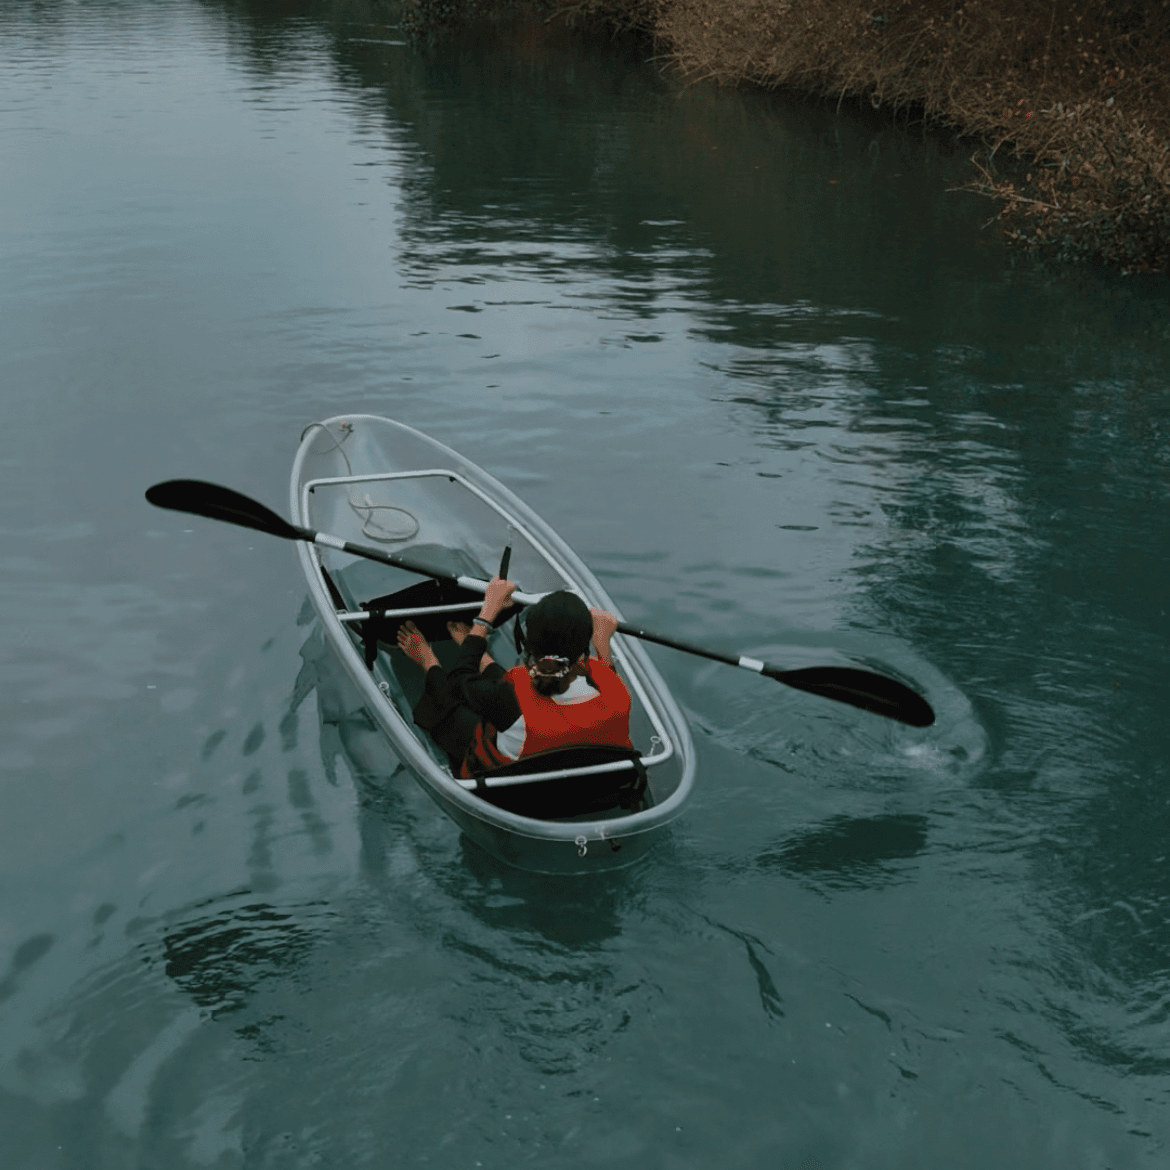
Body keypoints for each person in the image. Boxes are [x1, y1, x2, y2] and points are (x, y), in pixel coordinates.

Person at [396, 577, 632, 779]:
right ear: (582, 650)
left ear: (530, 648)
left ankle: (426, 659)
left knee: (449, 701)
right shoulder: (617, 697)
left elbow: (458, 681)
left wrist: (486, 616)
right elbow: (606, 673)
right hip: (571, 780)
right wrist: (602, 642)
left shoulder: (510, 697)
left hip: (503, 781)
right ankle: (484, 659)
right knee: (508, 695)